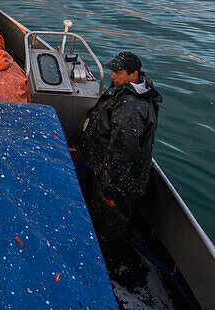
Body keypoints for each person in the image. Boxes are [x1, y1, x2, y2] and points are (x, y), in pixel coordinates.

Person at [78, 51, 162, 283]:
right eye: (112, 71)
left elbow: (123, 151)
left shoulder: (132, 107)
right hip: (112, 173)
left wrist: (108, 185)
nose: (112, 76)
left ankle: (107, 268)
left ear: (134, 74)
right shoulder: (129, 92)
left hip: (117, 181)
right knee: (113, 218)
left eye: (119, 72)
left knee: (111, 224)